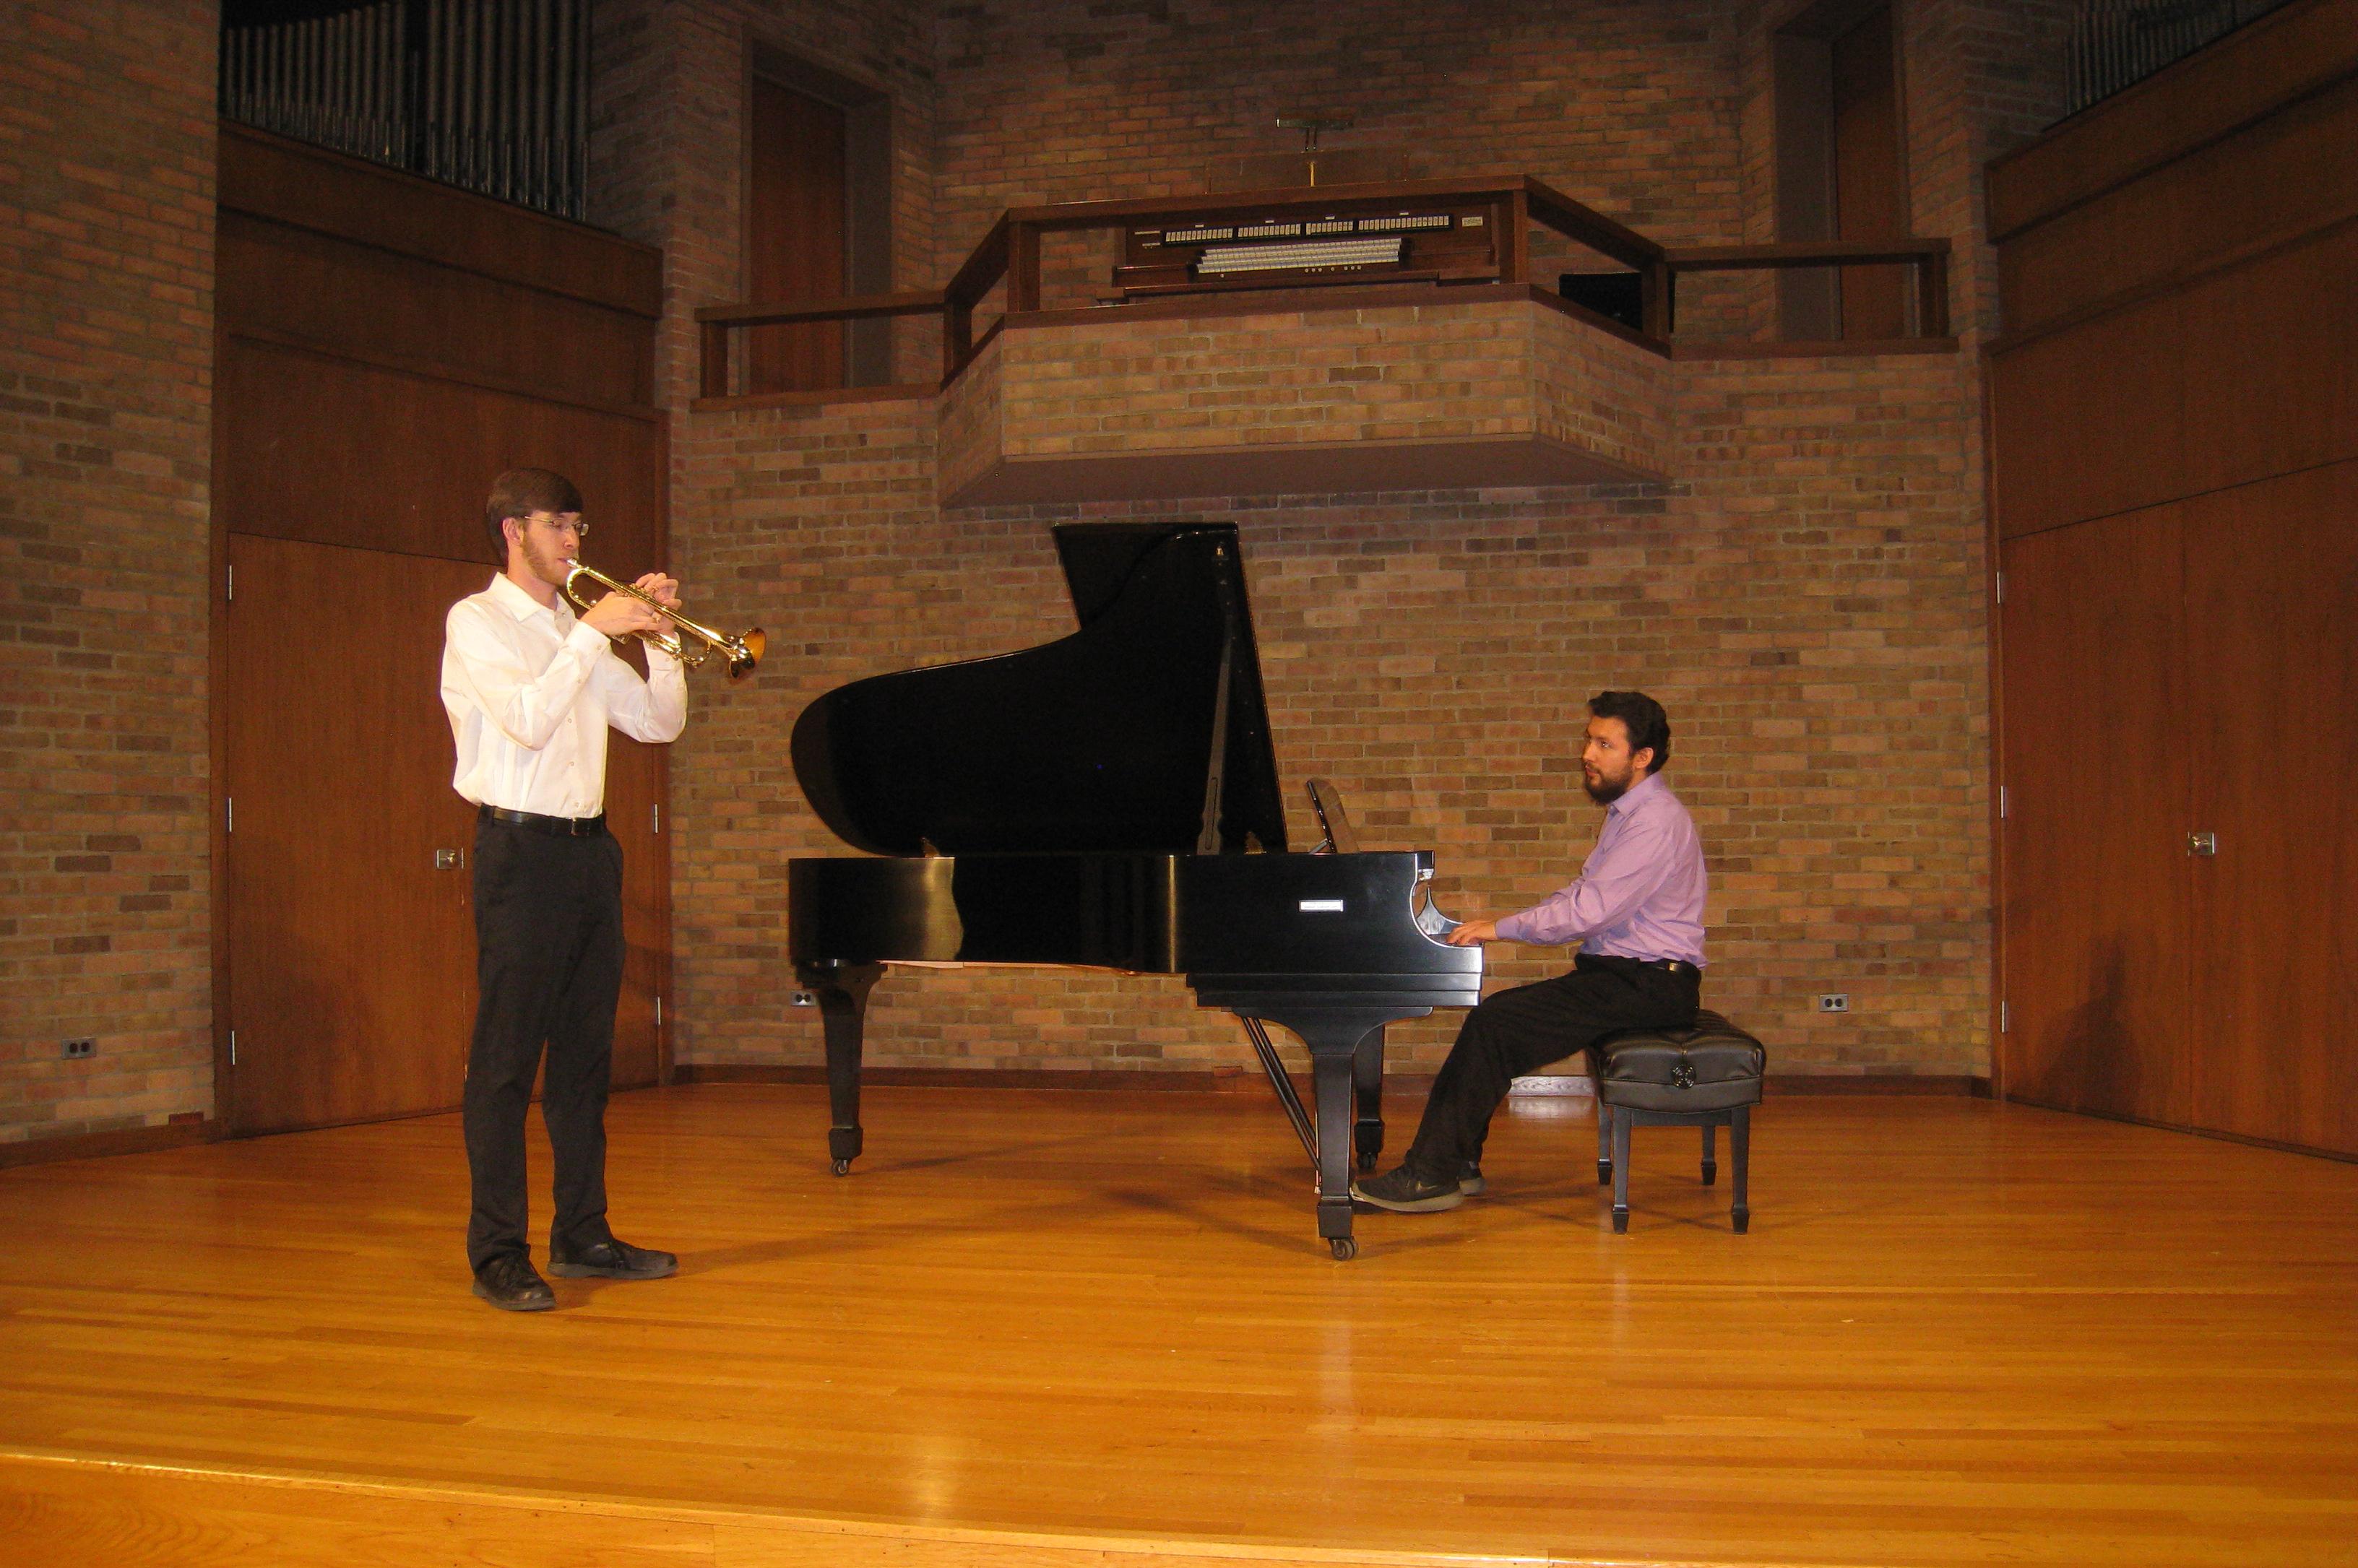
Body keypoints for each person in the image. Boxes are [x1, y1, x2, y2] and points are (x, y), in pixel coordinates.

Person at [440, 467, 688, 1310]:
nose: (575, 542)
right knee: (506, 1063)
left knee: (586, 1059)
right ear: (514, 530)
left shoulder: (574, 627)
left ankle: (583, 1233)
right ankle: (497, 1252)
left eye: (579, 526)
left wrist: (657, 637)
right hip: (520, 852)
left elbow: (658, 722)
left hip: (591, 853)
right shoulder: (477, 623)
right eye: (560, 526)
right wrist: (592, 634)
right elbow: (527, 718)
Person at [1352, 690, 1706, 1213]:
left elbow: (1588, 911)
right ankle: (1456, 1162)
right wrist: (1502, 921)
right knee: (1496, 1024)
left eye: (1604, 744)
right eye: (1589, 739)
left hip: (1649, 982)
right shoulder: (1630, 814)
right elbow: (1582, 893)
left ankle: (1432, 1174)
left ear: (1642, 757)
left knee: (1496, 1024)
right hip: (1629, 976)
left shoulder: (1653, 821)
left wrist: (1502, 927)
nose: (1588, 752)